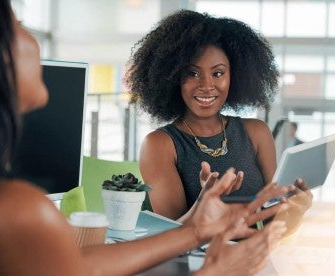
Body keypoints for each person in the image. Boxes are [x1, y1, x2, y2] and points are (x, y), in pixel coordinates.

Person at [0, 1, 290, 275]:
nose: (31, 37)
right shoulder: (14, 210)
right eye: (17, 24)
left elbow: (79, 267)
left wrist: (196, 230)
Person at [126, 10, 313, 231]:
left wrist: (297, 210)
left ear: (235, 76)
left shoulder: (256, 133)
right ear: (173, 76)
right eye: (193, 73)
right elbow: (167, 236)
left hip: (252, 257)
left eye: (218, 73)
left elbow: (274, 228)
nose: (206, 85)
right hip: (197, 264)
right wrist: (202, 204)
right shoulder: (160, 144)